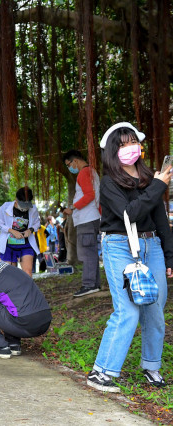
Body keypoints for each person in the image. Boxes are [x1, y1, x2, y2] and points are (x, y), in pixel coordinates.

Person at [86, 122, 172, 392]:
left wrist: (169, 258)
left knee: (155, 310)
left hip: (152, 246)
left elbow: (160, 220)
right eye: (122, 144)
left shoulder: (148, 180)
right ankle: (101, 372)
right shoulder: (110, 182)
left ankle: (151, 366)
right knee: (128, 311)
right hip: (120, 246)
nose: (129, 148)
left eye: (132, 141)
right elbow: (130, 214)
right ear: (113, 151)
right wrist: (158, 185)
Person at [62, 150, 102, 297]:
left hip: (87, 219)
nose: (69, 168)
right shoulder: (92, 172)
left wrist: (73, 207)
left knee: (87, 253)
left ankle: (89, 285)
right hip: (91, 217)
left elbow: (89, 195)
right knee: (90, 252)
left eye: (69, 165)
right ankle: (94, 284)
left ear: (75, 161)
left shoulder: (84, 173)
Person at [0, 187, 41, 277]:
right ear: (16, 200)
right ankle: (11, 291)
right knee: (8, 275)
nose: (25, 208)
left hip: (26, 245)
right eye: (23, 205)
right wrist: (11, 231)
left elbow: (37, 223)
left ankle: (27, 291)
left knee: (27, 273)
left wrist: (30, 230)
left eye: (27, 205)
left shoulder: (33, 209)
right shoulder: (5, 207)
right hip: (8, 245)